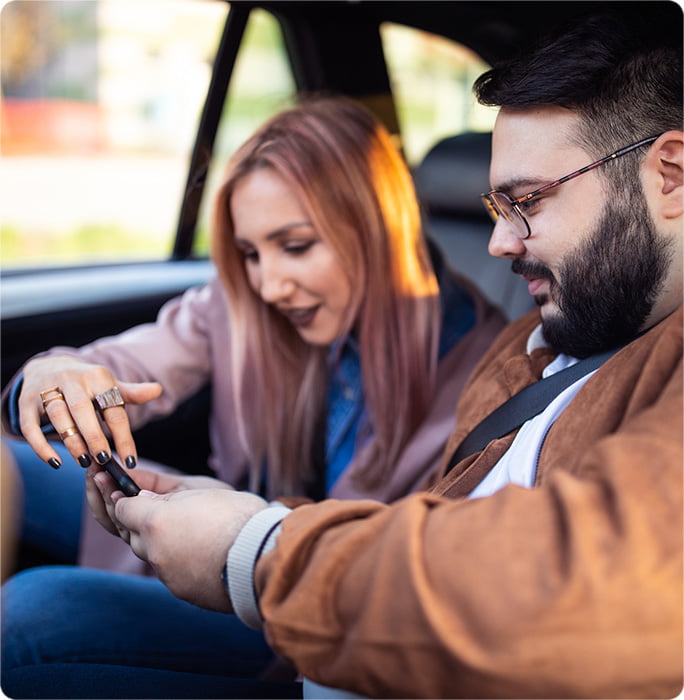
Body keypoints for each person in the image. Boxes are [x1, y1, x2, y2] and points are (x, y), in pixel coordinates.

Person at [1, 97, 504, 697]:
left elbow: (408, 575)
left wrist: (248, 531)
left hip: (298, 606)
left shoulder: (484, 364)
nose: (269, 284)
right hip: (199, 531)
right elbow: (130, 364)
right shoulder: (237, 307)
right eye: (250, 253)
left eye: (294, 247)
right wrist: (60, 374)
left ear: (373, 224)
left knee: (33, 610)